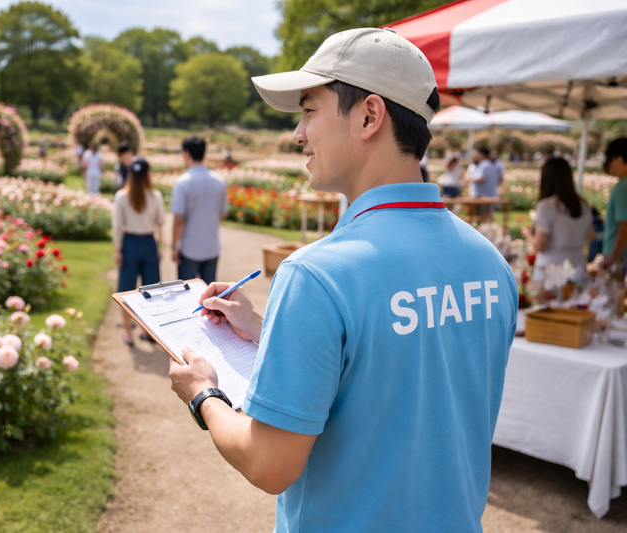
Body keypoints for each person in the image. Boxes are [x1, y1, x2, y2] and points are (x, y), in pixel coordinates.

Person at [168, 28, 517, 533]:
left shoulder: (316, 274)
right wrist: (269, 331)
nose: (298, 133)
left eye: (310, 110)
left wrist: (204, 394)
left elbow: (269, 464)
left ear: (370, 116)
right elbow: (402, 371)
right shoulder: (490, 263)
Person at [112, 157, 165, 346]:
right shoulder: (155, 196)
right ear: (148, 173)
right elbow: (160, 223)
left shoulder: (121, 196)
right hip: (149, 243)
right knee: (151, 291)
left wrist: (117, 249)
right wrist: (160, 246)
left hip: (130, 244)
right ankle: (145, 330)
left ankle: (128, 332)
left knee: (126, 290)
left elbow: (117, 226)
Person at [170, 135, 228, 285]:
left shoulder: (182, 182)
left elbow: (178, 219)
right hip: (211, 247)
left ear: (186, 154)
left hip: (190, 248)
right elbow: (223, 213)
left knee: (186, 294)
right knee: (209, 294)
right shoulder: (219, 181)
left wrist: (174, 246)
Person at [522, 158, 593, 274]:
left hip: (551, 267)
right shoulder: (583, 205)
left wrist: (529, 234)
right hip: (578, 264)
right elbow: (590, 236)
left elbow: (540, 245)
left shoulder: (546, 206)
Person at [603, 138, 627, 265]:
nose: (607, 164)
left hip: (621, 260)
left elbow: (625, 229)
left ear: (619, 159)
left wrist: (612, 260)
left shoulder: (622, 188)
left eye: (609, 159)